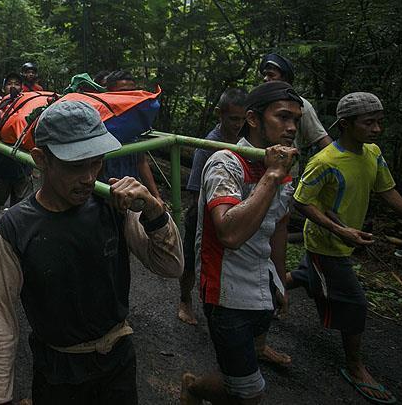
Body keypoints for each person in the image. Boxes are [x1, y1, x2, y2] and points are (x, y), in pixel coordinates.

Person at [0, 101, 182, 405]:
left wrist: (153, 209)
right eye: (75, 165)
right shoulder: (17, 227)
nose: (89, 177)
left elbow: (171, 266)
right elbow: (0, 315)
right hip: (58, 370)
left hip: (117, 361)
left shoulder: (111, 205)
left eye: (96, 162)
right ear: (41, 159)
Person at [287, 92, 402, 404]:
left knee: (307, 276)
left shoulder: (373, 153)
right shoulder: (324, 161)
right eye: (369, 122)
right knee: (356, 303)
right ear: (345, 125)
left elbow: (389, 191)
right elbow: (301, 202)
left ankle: (268, 293)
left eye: (379, 122)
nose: (377, 129)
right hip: (326, 243)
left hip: (345, 241)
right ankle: (355, 367)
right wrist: (340, 230)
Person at [181, 82, 300, 405]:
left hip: (262, 283)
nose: (291, 127)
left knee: (240, 376)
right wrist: (271, 177)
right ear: (253, 119)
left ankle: (199, 386)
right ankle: (193, 387)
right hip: (226, 291)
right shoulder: (226, 163)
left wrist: (279, 280)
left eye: (295, 120)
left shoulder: (281, 166)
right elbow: (229, 234)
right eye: (283, 117)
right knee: (250, 392)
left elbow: (278, 228)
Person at [177, 87, 247, 326]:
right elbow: (195, 189)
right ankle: (185, 300)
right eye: (233, 118)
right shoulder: (209, 144)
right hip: (202, 211)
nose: (238, 124)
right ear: (220, 114)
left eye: (242, 119)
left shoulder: (245, 141)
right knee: (191, 260)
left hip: (232, 209)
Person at [98, 70, 162, 201]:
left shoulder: (134, 121)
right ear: (108, 93)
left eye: (132, 92)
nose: (128, 96)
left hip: (132, 191)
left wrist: (156, 196)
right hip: (104, 192)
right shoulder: (99, 120)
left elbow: (141, 161)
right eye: (122, 92)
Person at [0, 74, 32, 230]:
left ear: (22, 88)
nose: (13, 86)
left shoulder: (29, 107)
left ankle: (12, 231)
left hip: (22, 165)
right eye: (9, 83)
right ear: (4, 88)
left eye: (17, 83)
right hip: (1, 164)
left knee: (20, 204)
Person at [259, 53, 332, 154]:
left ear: (285, 79)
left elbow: (322, 140)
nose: (265, 79)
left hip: (288, 162)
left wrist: (337, 160)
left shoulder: (301, 105)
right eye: (265, 75)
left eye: (271, 75)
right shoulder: (258, 103)